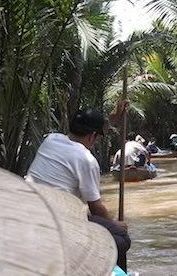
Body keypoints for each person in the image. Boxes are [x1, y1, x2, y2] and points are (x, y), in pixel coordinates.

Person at [25, 101, 131, 272]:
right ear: (92, 137)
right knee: (121, 238)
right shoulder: (86, 159)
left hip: (30, 209)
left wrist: (115, 117)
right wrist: (115, 224)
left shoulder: (51, 139)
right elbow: (95, 207)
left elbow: (94, 127)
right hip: (56, 219)